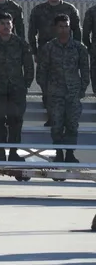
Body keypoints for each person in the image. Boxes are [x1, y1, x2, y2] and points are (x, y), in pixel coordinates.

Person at [0, 12, 33, 161]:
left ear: (12, 25)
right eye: (2, 23)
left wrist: (25, 84)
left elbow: (28, 66)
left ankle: (14, 152)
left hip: (17, 90)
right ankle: (1, 152)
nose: (6, 26)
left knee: (16, 121)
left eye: (8, 23)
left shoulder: (21, 43)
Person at [36, 14, 90, 163]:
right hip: (55, 94)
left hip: (73, 94)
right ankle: (59, 153)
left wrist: (81, 89)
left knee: (72, 124)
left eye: (66, 26)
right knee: (57, 125)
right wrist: (47, 91)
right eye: (61, 26)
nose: (64, 29)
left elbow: (85, 71)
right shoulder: (49, 48)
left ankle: (70, 153)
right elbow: (41, 72)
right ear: (55, 28)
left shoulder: (79, 48)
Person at [28, 0, 82, 125]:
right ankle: (52, 116)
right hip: (46, 53)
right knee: (45, 84)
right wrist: (34, 51)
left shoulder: (70, 9)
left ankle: (65, 117)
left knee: (66, 85)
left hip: (67, 53)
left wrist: (77, 51)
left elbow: (77, 31)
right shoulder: (38, 10)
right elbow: (32, 32)